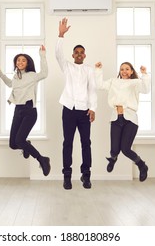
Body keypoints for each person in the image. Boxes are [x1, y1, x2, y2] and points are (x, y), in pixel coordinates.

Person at [55, 18, 97, 190]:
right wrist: (61, 35)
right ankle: (67, 176)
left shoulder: (89, 70)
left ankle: (86, 175)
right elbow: (58, 54)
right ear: (73, 55)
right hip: (68, 110)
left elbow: (92, 90)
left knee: (86, 143)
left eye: (82, 52)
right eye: (76, 52)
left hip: (84, 112)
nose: (79, 54)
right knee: (68, 142)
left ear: (85, 55)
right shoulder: (67, 67)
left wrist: (93, 108)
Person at [0, 46, 51, 176]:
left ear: (28, 63)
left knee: (19, 140)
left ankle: (42, 159)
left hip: (29, 111)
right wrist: (1, 74)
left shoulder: (32, 75)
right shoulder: (16, 76)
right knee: (13, 144)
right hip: (18, 110)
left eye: (23, 60)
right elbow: (10, 84)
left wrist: (42, 55)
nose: (20, 62)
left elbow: (44, 73)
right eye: (18, 60)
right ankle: (27, 144)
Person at [95, 61, 150, 182]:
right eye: (122, 69)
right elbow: (99, 85)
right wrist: (98, 70)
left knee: (125, 149)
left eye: (127, 69)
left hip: (130, 119)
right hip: (116, 118)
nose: (124, 71)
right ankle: (113, 158)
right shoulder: (113, 81)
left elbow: (146, 89)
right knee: (114, 150)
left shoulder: (135, 82)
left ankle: (142, 165)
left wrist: (144, 74)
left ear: (131, 71)